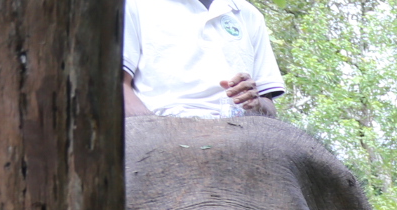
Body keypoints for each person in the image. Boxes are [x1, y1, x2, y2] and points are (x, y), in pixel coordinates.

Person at [122, 0, 286, 120]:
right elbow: (118, 88)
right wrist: (153, 131)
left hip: (238, 132)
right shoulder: (134, 5)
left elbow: (268, 107)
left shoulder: (248, 14)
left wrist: (255, 103)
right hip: (161, 124)